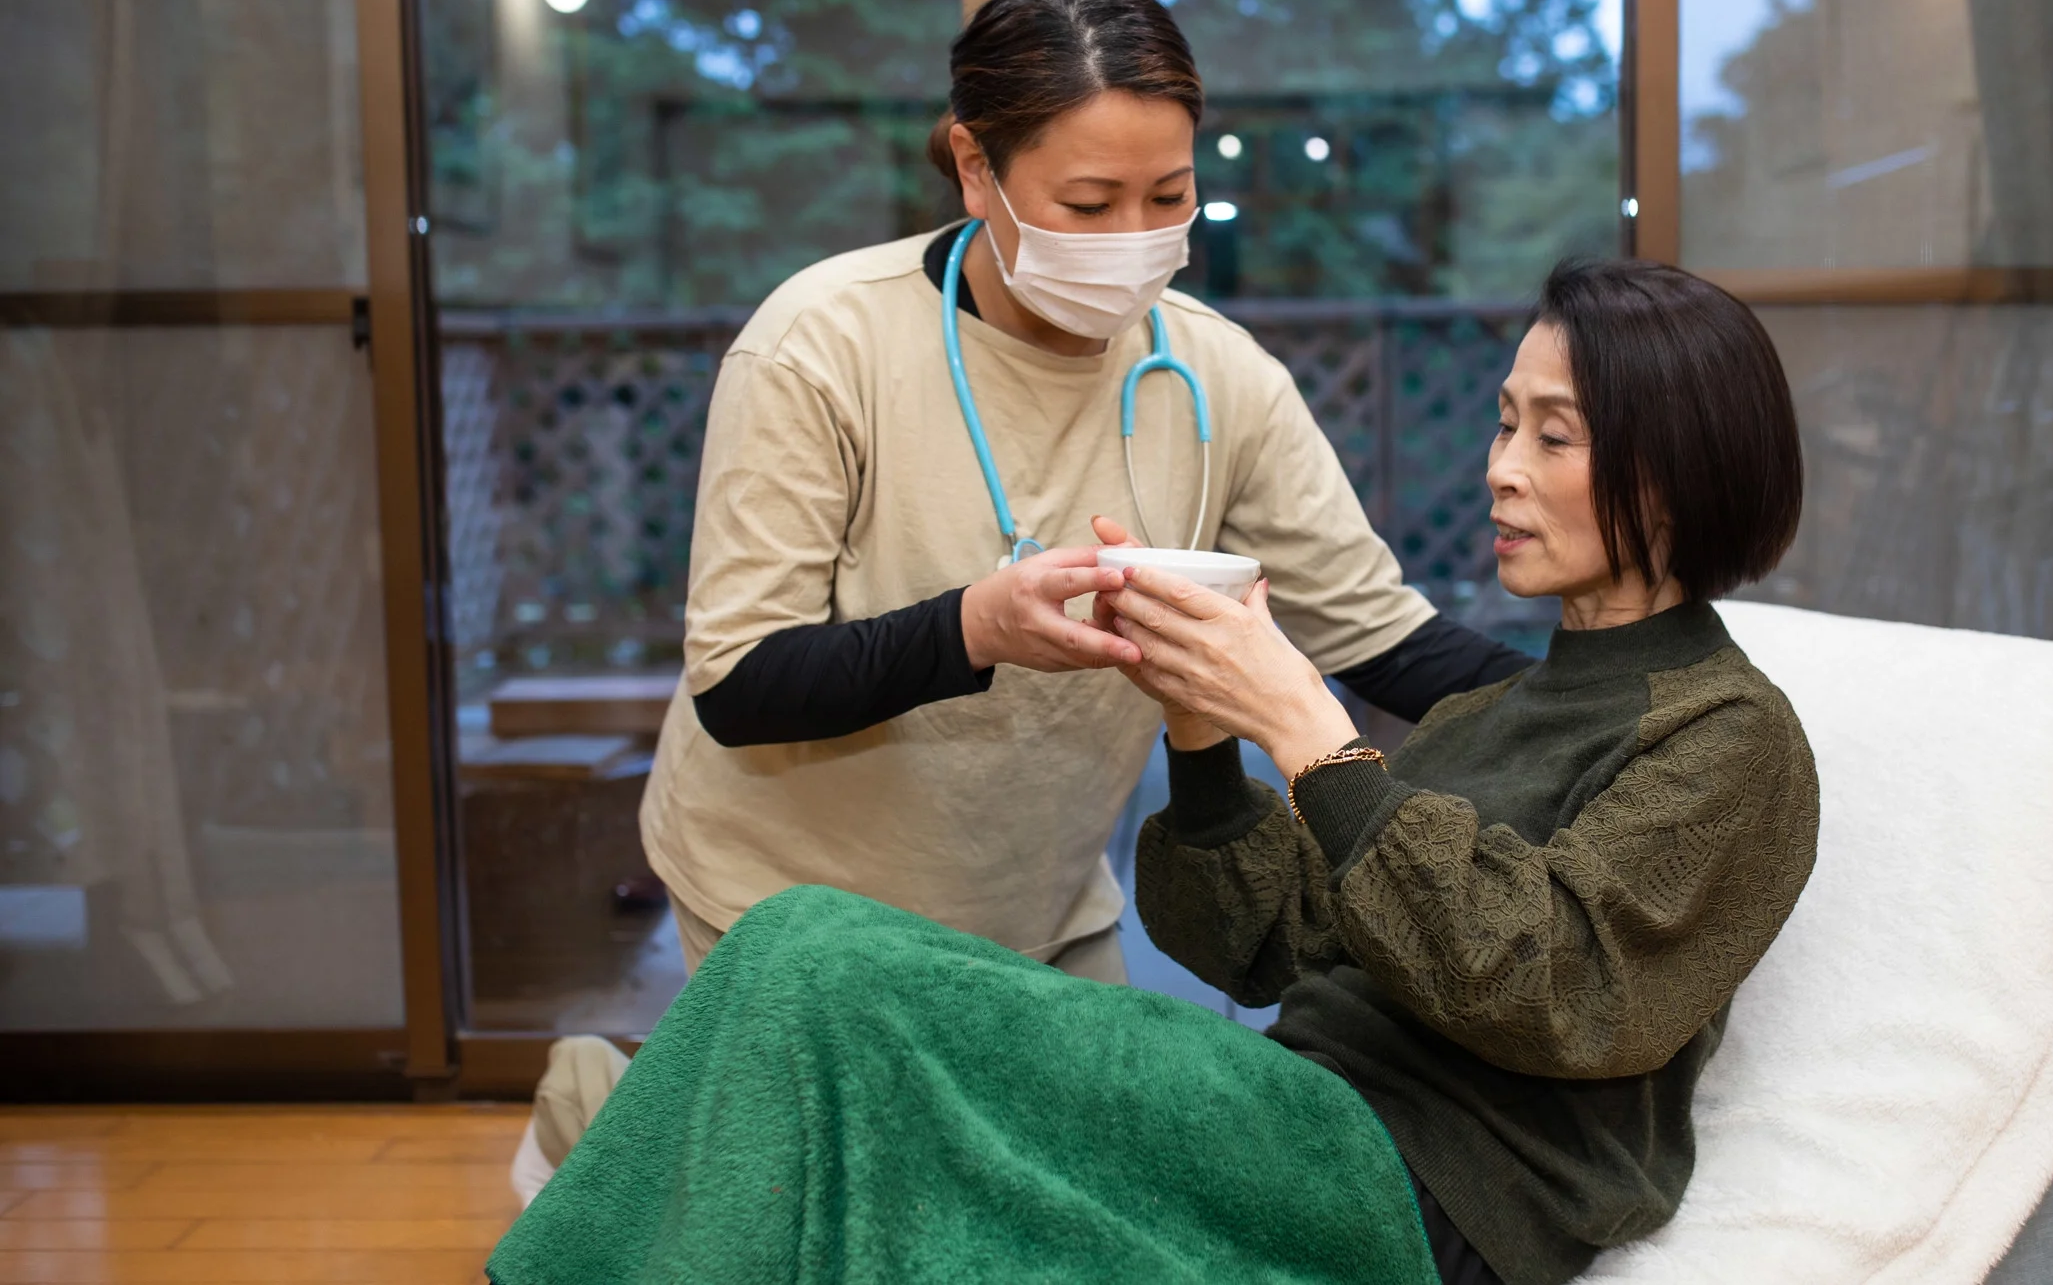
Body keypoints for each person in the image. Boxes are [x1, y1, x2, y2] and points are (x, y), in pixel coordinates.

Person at [489, 259, 1821, 1285]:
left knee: (823, 968)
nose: (1499, 471)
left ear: (1671, 470)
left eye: (1553, 436)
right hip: (1292, 1112)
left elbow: (1559, 989)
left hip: (1413, 1191)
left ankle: (603, 1163)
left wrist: (1309, 726)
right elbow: (1261, 944)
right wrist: (1198, 728)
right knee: (809, 962)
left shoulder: (1726, 735)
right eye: (1502, 424)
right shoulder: (1509, 705)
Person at [637, 0, 1527, 987]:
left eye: (1169, 196)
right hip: (787, 909)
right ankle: (589, 1104)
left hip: (1042, 911)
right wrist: (976, 627)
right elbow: (741, 685)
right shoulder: (819, 344)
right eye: (1089, 203)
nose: (1133, 242)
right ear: (976, 166)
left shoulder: (1216, 374)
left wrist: (1647, 699)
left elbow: (1389, 647)